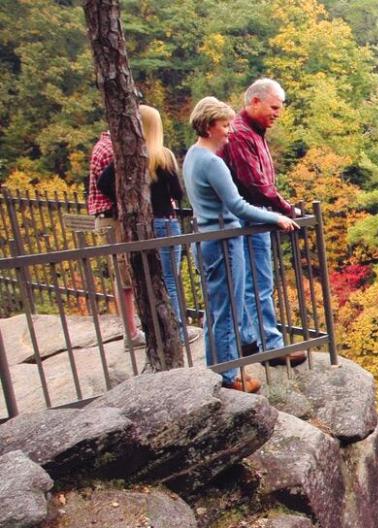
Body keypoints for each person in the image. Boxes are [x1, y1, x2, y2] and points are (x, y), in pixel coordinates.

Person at [182, 96, 297, 393]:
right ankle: (229, 376)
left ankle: (218, 369)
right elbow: (238, 205)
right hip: (224, 240)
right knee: (229, 311)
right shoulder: (212, 162)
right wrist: (276, 218)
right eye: (225, 125)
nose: (230, 130)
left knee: (215, 309)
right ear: (208, 127)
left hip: (206, 239)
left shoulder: (191, 156)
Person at [97, 105, 201, 346]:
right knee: (170, 280)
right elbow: (177, 192)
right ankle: (178, 331)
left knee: (149, 279)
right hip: (165, 222)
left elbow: (103, 183)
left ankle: (158, 331)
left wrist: (126, 198)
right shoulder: (163, 156)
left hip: (143, 226)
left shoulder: (128, 156)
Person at [220, 77, 305, 367]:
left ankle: (251, 340)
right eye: (274, 107)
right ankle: (271, 345)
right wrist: (285, 209)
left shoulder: (254, 132)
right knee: (258, 283)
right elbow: (253, 182)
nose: (277, 114)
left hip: (249, 214)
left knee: (249, 283)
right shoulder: (242, 134)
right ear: (255, 101)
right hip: (249, 215)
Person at [87, 129, 143, 348]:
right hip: (113, 218)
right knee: (124, 277)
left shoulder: (104, 144)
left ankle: (131, 330)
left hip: (107, 217)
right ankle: (131, 334)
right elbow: (109, 184)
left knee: (123, 275)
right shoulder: (113, 149)